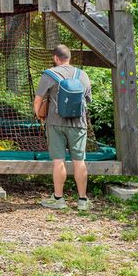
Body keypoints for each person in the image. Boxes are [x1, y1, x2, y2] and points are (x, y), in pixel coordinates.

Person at [34, 44, 93, 210]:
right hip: (79, 124)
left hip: (55, 123)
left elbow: (38, 99)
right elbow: (87, 100)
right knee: (79, 161)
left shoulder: (49, 74)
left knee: (58, 161)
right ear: (70, 58)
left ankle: (59, 198)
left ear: (55, 58)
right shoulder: (82, 75)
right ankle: (82, 200)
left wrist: (38, 114)